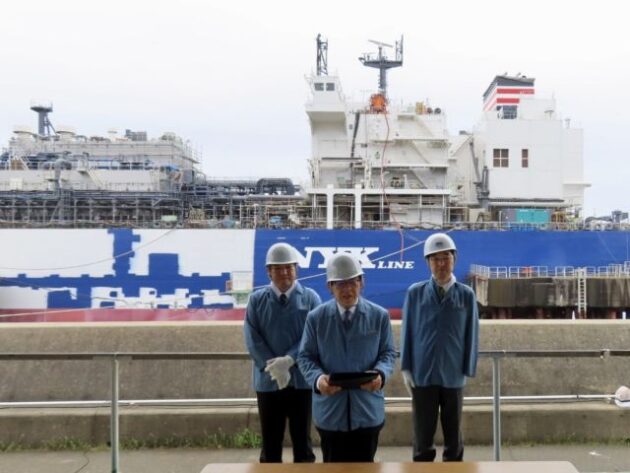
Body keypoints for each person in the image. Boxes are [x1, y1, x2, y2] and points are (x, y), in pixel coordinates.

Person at [297, 253, 397, 463]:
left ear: (362, 282)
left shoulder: (379, 316)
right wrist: (318, 380)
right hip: (330, 413)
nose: (347, 289)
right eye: (340, 284)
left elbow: (388, 353)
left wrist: (380, 375)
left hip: (367, 411)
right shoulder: (316, 319)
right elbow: (305, 357)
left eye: (353, 282)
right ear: (330, 287)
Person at [400, 232, 479, 462]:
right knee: (422, 436)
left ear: (454, 259)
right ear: (428, 262)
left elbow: (472, 332)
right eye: (435, 259)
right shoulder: (415, 293)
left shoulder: (466, 295)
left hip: (453, 374)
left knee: (454, 436)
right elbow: (407, 332)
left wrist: (467, 369)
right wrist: (406, 368)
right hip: (422, 374)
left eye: (446, 258)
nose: (441, 264)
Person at [243, 242, 321, 463]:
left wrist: (289, 360)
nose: (284, 272)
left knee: (303, 444)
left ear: (296, 268)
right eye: (278, 268)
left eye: (288, 267)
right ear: (268, 271)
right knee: (270, 444)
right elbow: (252, 337)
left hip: (301, 381)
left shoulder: (311, 298)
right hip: (268, 382)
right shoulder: (256, 300)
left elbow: (314, 335)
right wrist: (273, 367)